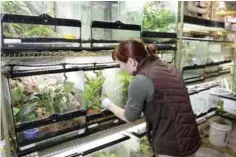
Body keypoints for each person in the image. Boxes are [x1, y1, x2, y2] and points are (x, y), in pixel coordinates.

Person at [101, 39, 200, 157]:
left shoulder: (140, 79)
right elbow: (164, 102)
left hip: (171, 145)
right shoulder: (169, 68)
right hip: (190, 138)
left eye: (121, 64)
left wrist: (108, 104)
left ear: (131, 61)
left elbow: (129, 117)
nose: (121, 68)